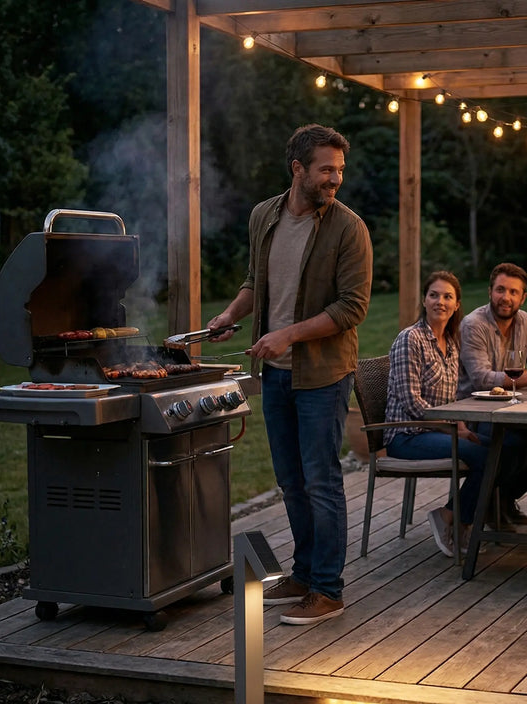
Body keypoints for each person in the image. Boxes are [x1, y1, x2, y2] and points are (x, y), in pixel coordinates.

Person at [206, 124, 372, 624]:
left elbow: (353, 307)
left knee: (321, 481)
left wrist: (288, 336)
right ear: (297, 169)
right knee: (292, 482)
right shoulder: (264, 216)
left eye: (339, 170)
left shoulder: (349, 228)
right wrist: (229, 315)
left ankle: (328, 589)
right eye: (326, 169)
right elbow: (255, 281)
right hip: (276, 374)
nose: (335, 179)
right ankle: (303, 574)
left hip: (323, 375)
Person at [384, 271, 488, 558]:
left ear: (456, 305)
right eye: (434, 295)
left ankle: (455, 517)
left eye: (447, 296)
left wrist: (461, 427)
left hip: (439, 431)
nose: (440, 301)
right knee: (484, 456)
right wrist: (452, 429)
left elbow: (452, 399)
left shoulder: (451, 344)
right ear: (424, 300)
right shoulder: (410, 339)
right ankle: (453, 519)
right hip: (406, 435)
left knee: (500, 449)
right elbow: (412, 404)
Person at [459, 263, 527, 526]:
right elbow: (481, 378)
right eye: (500, 290)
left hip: (514, 411)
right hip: (476, 414)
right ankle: (486, 505)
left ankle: (502, 498)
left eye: (513, 292)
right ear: (490, 291)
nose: (505, 297)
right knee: (513, 445)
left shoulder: (526, 322)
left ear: (523, 297)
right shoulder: (474, 324)